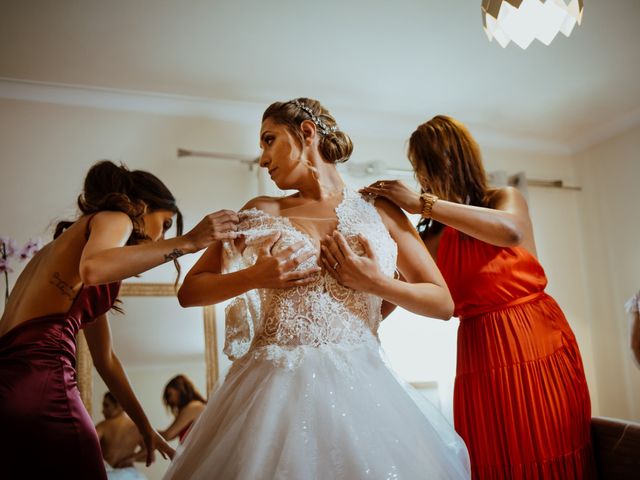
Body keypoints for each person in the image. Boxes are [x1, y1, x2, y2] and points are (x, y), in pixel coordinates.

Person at [163, 98, 470, 479]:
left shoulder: (380, 209)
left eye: (268, 140)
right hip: (271, 391)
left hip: (364, 390)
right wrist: (256, 276)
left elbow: (442, 302)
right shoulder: (262, 210)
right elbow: (189, 291)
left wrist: (376, 283)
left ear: (306, 133)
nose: (262, 159)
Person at [358, 115, 595, 479]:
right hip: (480, 354)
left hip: (536, 341)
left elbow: (511, 233)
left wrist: (423, 203)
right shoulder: (430, 239)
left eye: (430, 165)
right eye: (419, 169)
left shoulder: (503, 199)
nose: (424, 177)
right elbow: (390, 299)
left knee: (549, 445)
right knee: (493, 456)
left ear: (457, 159)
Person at [0, 160, 240, 479]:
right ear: (140, 208)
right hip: (44, 382)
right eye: (165, 223)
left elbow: (106, 359)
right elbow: (95, 267)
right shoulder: (114, 219)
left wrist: (144, 427)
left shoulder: (58, 250)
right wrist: (188, 242)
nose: (161, 237)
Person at [96, 391, 146, 480]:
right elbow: (150, 456)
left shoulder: (102, 426)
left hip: (109, 475)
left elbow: (86, 448)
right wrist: (132, 458)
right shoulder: (138, 428)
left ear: (119, 406)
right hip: (130, 475)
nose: (102, 411)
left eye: (106, 405)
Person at [160, 374, 206, 444]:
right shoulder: (194, 407)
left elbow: (168, 435)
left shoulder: (194, 407)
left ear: (180, 389)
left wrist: (145, 432)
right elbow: (168, 437)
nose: (169, 400)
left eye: (170, 394)